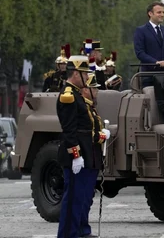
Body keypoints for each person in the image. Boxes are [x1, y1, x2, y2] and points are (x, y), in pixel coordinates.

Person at [56, 56, 111, 238]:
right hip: (77, 154)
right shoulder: (68, 96)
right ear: (76, 73)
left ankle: (80, 230)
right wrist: (75, 155)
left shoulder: (77, 94)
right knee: (73, 199)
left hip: (87, 152)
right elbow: (69, 130)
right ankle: (68, 234)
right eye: (85, 73)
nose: (88, 77)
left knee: (83, 198)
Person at [133, 2, 164, 87]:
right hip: (148, 75)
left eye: (163, 12)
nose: (162, 14)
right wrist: (155, 62)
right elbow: (140, 53)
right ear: (150, 13)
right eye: (159, 12)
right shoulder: (141, 31)